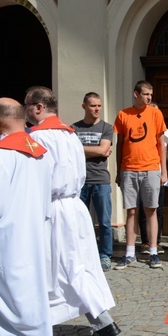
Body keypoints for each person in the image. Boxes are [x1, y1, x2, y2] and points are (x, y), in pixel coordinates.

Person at [0, 98, 86, 336]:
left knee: (11, 330)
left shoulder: (1, 157)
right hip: (31, 247)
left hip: (5, 252)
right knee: (23, 323)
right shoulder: (39, 154)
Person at [24, 87, 120, 336]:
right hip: (74, 207)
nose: (26, 112)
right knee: (79, 265)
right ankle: (102, 322)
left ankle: (40, 327)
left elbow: (36, 178)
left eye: (28, 106)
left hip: (52, 208)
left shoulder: (37, 137)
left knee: (55, 267)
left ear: (39, 107)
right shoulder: (70, 134)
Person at [113, 81, 168, 269]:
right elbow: (120, 144)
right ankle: (129, 253)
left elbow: (161, 143)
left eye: (150, 94)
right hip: (129, 169)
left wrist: (163, 172)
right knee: (131, 211)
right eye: (145, 94)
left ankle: (153, 251)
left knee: (151, 210)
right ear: (136, 94)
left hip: (151, 168)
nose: (149, 97)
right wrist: (119, 170)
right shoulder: (123, 115)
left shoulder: (155, 113)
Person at [72, 92, 114, 271]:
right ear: (84, 106)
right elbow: (98, 151)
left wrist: (80, 149)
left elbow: (103, 150)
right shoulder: (73, 128)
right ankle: (82, 254)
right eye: (92, 106)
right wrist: (97, 150)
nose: (97, 109)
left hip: (100, 180)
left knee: (104, 221)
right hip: (79, 181)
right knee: (80, 221)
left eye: (99, 106)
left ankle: (105, 255)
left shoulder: (106, 127)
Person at [138, 103, 168, 256]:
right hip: (143, 172)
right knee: (143, 210)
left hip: (158, 172)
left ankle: (157, 242)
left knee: (157, 209)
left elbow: (165, 151)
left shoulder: (164, 131)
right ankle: (145, 242)